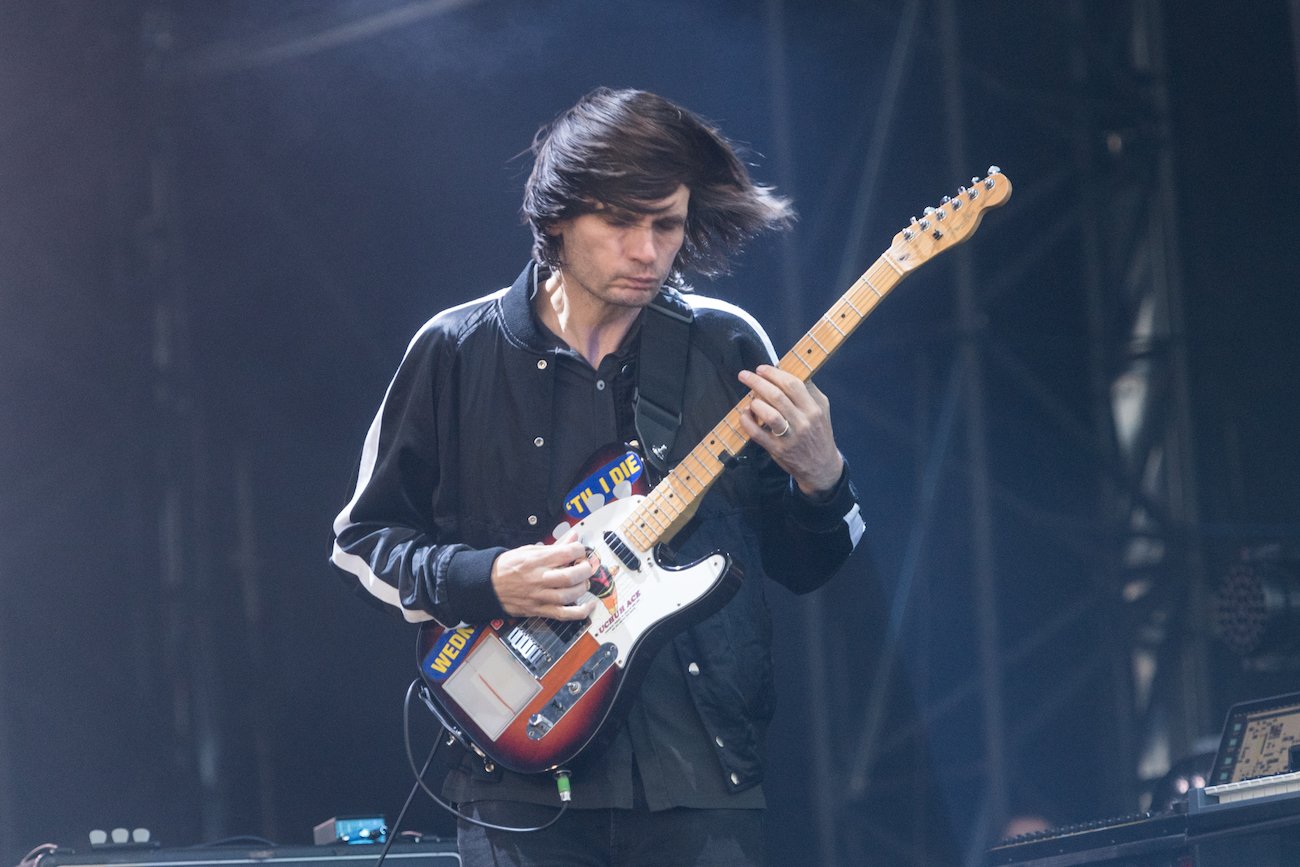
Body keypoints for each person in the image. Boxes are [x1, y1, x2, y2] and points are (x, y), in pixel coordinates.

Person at [330, 87, 864, 867]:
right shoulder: (453, 350)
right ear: (555, 218)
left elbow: (806, 566)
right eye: (621, 222)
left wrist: (824, 479)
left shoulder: (726, 342)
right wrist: (487, 577)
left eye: (667, 225)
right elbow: (359, 544)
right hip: (518, 784)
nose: (648, 251)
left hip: (699, 776)